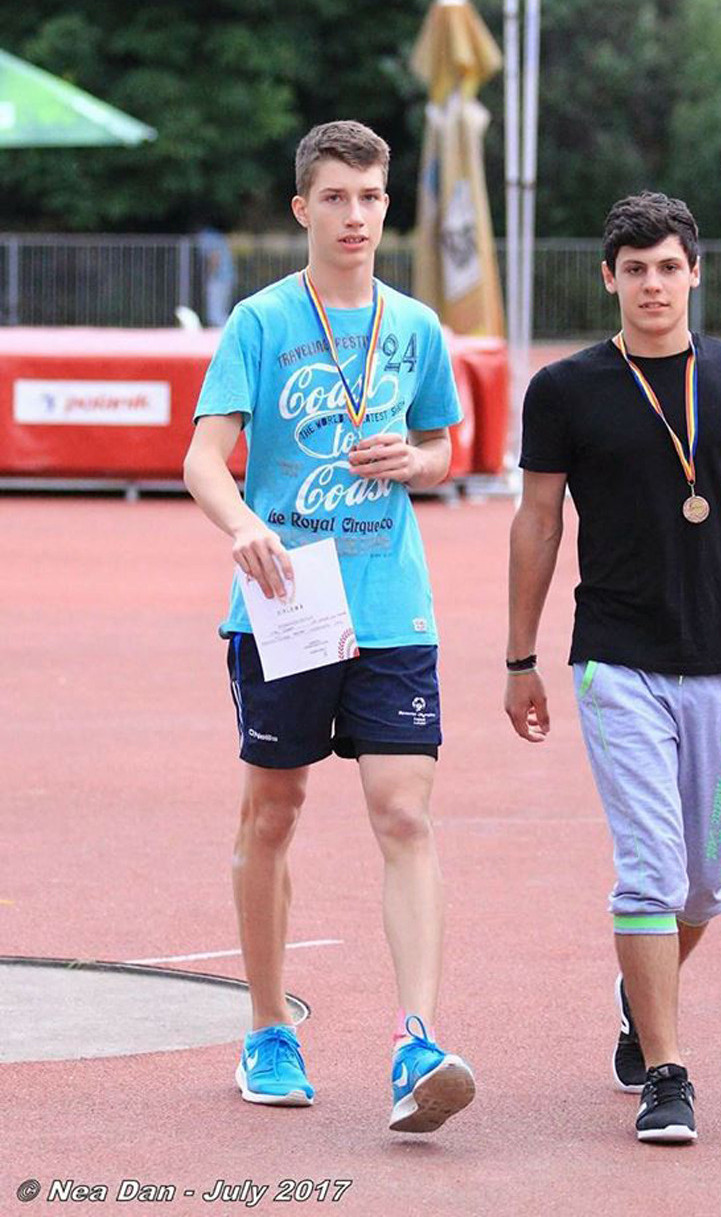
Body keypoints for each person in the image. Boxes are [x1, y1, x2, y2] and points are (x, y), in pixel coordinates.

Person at [505, 191, 721, 1144]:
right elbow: (537, 522)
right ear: (609, 277)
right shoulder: (564, 388)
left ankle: (636, 994)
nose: (653, 283)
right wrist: (520, 656)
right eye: (635, 269)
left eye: (668, 267)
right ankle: (667, 1072)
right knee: (649, 871)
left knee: (707, 882)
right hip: (615, 661)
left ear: (696, 272)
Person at [183, 120, 475, 1133]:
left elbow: (445, 449)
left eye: (372, 198)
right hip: (286, 601)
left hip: (392, 604)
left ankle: (417, 1042)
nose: (357, 216)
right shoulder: (260, 322)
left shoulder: (417, 328)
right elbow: (203, 456)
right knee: (273, 813)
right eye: (338, 198)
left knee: (405, 815)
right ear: (303, 207)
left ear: (388, 207)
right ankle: (268, 1029)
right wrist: (243, 525)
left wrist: (418, 463)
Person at [196, 226, 236, 327]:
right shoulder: (217, 236)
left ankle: (231, 331)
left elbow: (214, 257)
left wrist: (209, 276)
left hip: (218, 279)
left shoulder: (206, 238)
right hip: (228, 278)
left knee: (215, 315)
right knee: (221, 312)